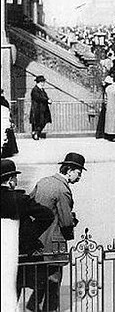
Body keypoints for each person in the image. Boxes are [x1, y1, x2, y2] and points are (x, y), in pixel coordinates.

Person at [29, 152, 86, 312]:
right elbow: (66, 222)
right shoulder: (63, 190)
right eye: (78, 173)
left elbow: (32, 206)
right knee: (54, 280)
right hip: (55, 243)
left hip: (38, 240)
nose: (79, 177)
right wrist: (72, 224)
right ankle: (51, 309)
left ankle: (32, 306)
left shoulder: (43, 182)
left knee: (41, 278)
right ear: (69, 171)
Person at [1, 159, 54, 311]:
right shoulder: (19, 200)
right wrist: (28, 235)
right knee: (37, 280)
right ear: (11, 180)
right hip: (20, 252)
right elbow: (47, 215)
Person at [29, 75, 52, 140]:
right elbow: (38, 98)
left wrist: (48, 100)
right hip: (37, 109)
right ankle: (36, 133)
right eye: (42, 82)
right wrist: (47, 100)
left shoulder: (41, 90)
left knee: (43, 121)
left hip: (43, 109)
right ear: (39, 82)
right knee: (38, 122)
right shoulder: (35, 90)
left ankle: (36, 133)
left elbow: (44, 97)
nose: (43, 83)